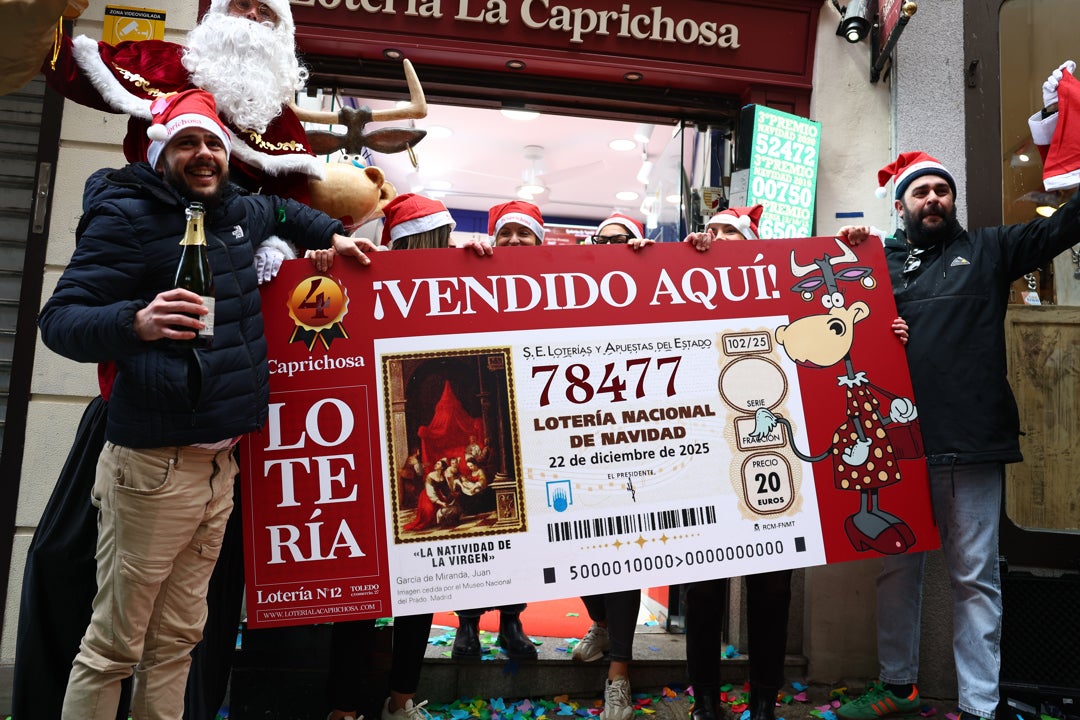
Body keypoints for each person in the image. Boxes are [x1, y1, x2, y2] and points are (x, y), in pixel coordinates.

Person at [16, 3, 344, 718]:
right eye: (189, 142)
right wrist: (134, 322)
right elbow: (61, 320)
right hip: (149, 451)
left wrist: (331, 239)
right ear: (161, 148)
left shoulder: (238, 206)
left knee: (181, 638)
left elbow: (291, 211)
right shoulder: (129, 211)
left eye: (215, 144)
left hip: (221, 461)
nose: (204, 153)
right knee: (113, 640)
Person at [835, 149, 1080, 720]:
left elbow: (1068, 224)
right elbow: (819, 319)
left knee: (975, 578)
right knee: (896, 569)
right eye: (920, 193)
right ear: (900, 207)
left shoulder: (990, 249)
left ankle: (978, 708)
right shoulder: (874, 264)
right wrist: (848, 256)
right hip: (896, 449)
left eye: (942, 191)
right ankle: (897, 688)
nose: (933, 200)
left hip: (971, 444)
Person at [681, 205, 910, 720]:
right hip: (706, 454)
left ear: (753, 243)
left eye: (730, 233)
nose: (718, 238)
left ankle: (763, 699)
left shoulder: (780, 286)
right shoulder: (684, 284)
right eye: (712, 231)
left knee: (772, 586)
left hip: (773, 455)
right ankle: (705, 703)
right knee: (703, 588)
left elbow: (843, 322)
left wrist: (884, 336)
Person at [325, 193, 489, 720]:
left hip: (374, 470)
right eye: (426, 243)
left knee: (407, 593)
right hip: (362, 461)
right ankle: (382, 701)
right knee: (372, 593)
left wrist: (489, 257)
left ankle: (366, 703)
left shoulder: (456, 284)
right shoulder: (360, 275)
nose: (432, 252)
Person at [450, 200, 547, 662]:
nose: (512, 241)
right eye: (504, 232)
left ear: (539, 240)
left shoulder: (557, 282)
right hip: (483, 417)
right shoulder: (471, 273)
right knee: (474, 530)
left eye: (523, 234)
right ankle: (466, 626)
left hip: (536, 427)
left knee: (526, 533)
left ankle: (512, 621)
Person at [570, 211, 654, 720]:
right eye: (605, 240)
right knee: (573, 542)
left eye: (624, 240)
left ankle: (619, 672)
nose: (614, 246)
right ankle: (600, 623)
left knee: (626, 552)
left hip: (632, 446)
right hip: (574, 443)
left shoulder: (648, 287)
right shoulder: (572, 286)